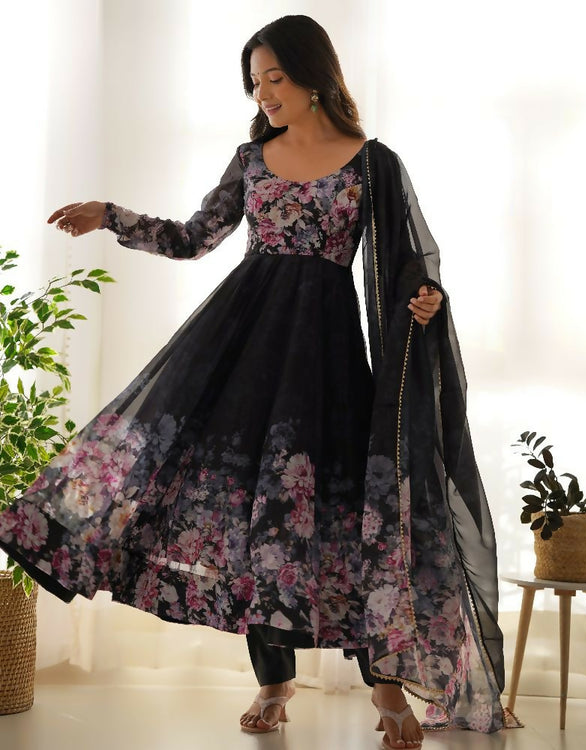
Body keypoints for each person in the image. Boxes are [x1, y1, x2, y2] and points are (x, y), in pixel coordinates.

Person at [0, 14, 510, 749]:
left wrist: (424, 299)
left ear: (314, 78)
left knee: (345, 518)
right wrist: (110, 215)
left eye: (275, 77)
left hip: (327, 363)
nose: (264, 93)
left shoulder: (374, 163)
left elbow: (408, 266)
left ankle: (386, 687)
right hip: (239, 353)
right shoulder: (252, 158)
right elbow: (192, 238)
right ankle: (274, 682)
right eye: (255, 82)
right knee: (251, 522)